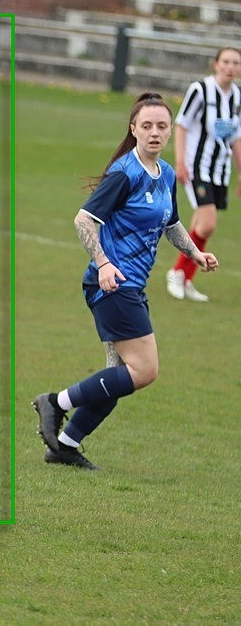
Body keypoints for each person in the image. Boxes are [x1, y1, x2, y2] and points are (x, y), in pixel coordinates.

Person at [33, 93, 218, 470]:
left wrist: (195, 254)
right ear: (133, 129)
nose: (154, 132)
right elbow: (83, 220)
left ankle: (65, 445)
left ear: (170, 132)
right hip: (113, 284)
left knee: (118, 378)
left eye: (161, 126)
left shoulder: (164, 174)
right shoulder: (125, 172)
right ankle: (55, 402)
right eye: (146, 125)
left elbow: (170, 223)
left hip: (131, 286)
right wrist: (102, 264)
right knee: (144, 370)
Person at [165, 47, 241, 302]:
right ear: (216, 64)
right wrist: (180, 162)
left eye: (236, 63)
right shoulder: (201, 90)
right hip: (197, 166)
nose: (231, 67)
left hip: (220, 169)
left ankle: (186, 278)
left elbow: (235, 138)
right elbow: (182, 124)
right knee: (207, 224)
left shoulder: (237, 96)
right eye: (226, 61)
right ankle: (177, 271)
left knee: (201, 225)